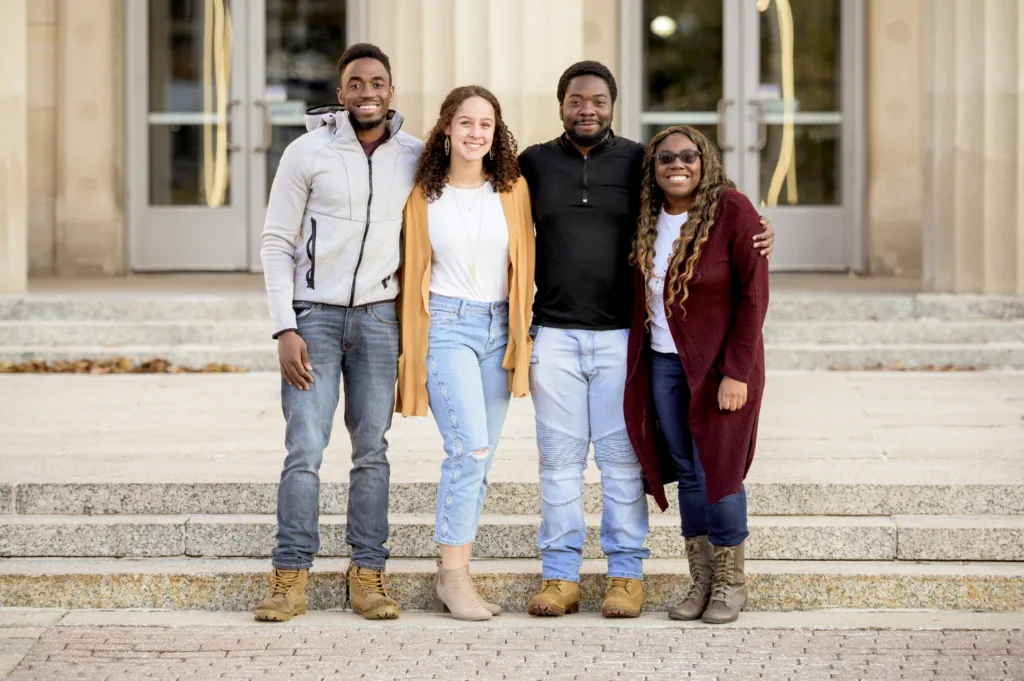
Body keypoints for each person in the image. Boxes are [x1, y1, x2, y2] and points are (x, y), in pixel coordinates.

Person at [517, 61, 774, 618]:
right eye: (576, 100)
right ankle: (567, 577)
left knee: (637, 464)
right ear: (561, 105)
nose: (587, 109)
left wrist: (760, 230)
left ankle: (633, 577)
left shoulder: (641, 162)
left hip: (628, 342)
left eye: (599, 100)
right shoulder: (533, 164)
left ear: (614, 104)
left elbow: (741, 268)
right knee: (572, 463)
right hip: (577, 339)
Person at [255, 43, 423, 622]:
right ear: (341, 92)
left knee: (372, 451)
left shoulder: (415, 155)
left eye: (377, 83)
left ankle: (368, 573)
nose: (367, 92)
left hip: (379, 320)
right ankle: (290, 575)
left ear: (391, 91)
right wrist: (284, 325)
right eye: (356, 83)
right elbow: (276, 241)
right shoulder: (307, 152)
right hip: (315, 320)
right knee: (304, 448)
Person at [397, 86, 535, 621]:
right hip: (446, 325)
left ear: (496, 133)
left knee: (483, 456)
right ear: (447, 129)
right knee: (469, 449)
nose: (476, 133)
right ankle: (453, 578)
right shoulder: (420, 193)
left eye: (486, 124)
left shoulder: (513, 189)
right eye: (466, 122)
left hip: (500, 329)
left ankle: (456, 571)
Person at [624, 125, 769, 625]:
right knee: (688, 471)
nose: (677, 165)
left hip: (721, 370)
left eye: (688, 156)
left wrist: (737, 371)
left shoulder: (733, 211)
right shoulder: (645, 217)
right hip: (665, 364)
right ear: (653, 168)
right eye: (666, 158)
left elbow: (754, 297)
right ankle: (702, 579)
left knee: (719, 468)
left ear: (704, 161)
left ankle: (731, 582)